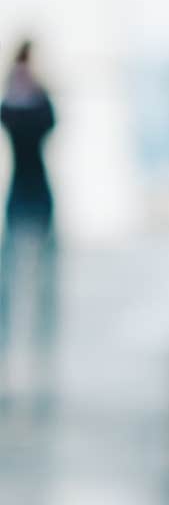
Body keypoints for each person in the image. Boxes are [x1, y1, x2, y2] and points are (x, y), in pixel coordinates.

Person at [1, 40, 59, 394]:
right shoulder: (19, 102)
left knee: (41, 280)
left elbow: (46, 122)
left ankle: (36, 345)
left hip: (32, 192)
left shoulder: (30, 102)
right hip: (26, 191)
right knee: (14, 279)